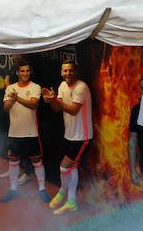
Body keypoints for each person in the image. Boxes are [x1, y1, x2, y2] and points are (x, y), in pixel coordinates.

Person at [42, 61, 92, 215]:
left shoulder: (81, 87)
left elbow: (73, 110)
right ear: (61, 72)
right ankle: (71, 202)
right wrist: (51, 100)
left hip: (82, 136)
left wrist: (55, 100)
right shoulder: (62, 86)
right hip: (69, 134)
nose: (68, 73)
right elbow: (57, 109)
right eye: (65, 70)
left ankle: (63, 192)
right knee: (72, 167)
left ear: (75, 72)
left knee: (64, 167)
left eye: (70, 70)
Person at [0, 63, 50, 204]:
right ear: (18, 73)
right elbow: (5, 108)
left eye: (27, 70)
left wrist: (17, 99)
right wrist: (10, 100)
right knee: (13, 162)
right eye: (22, 71)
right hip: (14, 133)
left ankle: (42, 189)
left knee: (37, 162)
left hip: (31, 133)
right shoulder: (10, 88)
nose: (25, 73)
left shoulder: (35, 87)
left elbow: (33, 104)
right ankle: (13, 189)